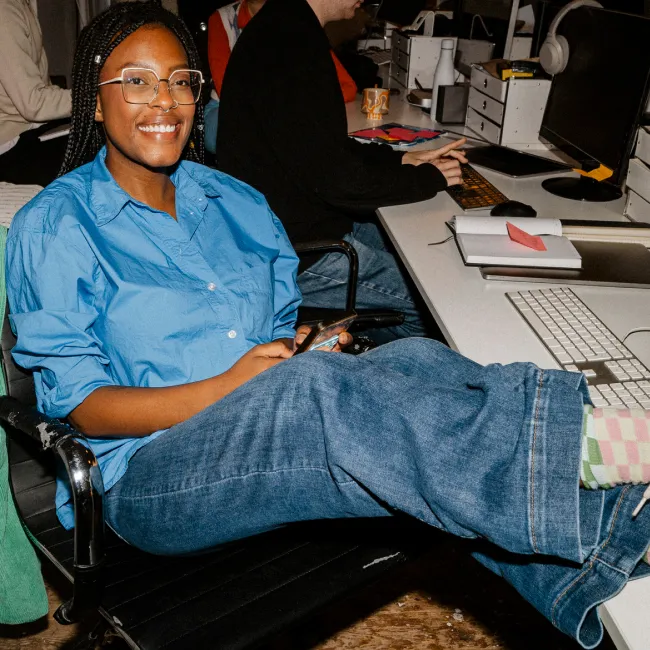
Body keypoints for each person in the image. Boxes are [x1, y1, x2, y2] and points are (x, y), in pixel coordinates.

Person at [5, 4, 650, 649]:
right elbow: (82, 408)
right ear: (95, 100)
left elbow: (271, 335)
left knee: (408, 361)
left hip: (257, 423)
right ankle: (594, 446)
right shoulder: (55, 226)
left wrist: (297, 347)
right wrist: (228, 388)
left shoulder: (236, 202)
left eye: (180, 79)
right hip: (144, 480)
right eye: (137, 81)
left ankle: (615, 531)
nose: (165, 100)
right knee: (318, 398)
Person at [216, 0, 468, 343]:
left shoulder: (285, 27)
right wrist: (429, 179)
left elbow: (321, 148)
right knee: (435, 307)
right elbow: (337, 181)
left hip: (297, 225)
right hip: (296, 251)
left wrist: (400, 160)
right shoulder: (291, 43)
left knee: (428, 257)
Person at [204, 0, 358, 154]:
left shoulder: (295, 20)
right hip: (224, 109)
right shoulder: (223, 18)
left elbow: (347, 86)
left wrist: (304, 104)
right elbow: (228, 90)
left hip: (284, 111)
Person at [0, 0, 72, 186]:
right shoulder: (4, 9)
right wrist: (93, 98)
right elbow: (33, 103)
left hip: (30, 129)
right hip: (9, 145)